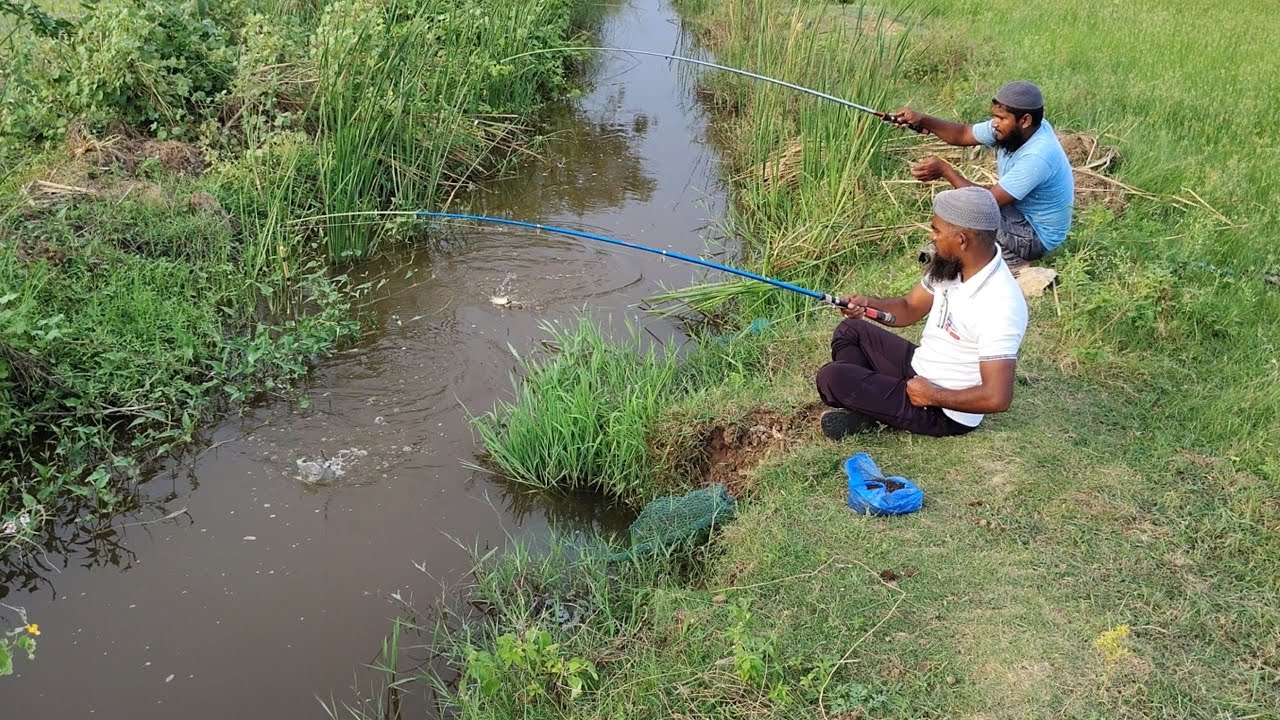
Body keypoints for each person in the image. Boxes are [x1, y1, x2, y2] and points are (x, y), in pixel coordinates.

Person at [816, 186, 1028, 439]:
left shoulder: (1000, 304)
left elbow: (997, 397)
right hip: (920, 366)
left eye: (937, 230)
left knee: (831, 377)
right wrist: (867, 305)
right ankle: (870, 407)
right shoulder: (954, 265)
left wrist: (932, 395)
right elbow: (909, 307)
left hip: (942, 410)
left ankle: (870, 404)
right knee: (850, 330)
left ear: (962, 240)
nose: (932, 237)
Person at [890, 81, 1074, 266]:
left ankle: (1006, 262)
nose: (995, 123)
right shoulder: (1018, 129)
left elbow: (985, 203)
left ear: (1025, 120)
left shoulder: (1038, 156)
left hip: (1035, 236)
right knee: (963, 213)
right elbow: (962, 134)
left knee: (971, 216)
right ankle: (956, 251)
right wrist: (921, 119)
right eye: (995, 117)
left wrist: (946, 171)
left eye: (1001, 118)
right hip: (1016, 212)